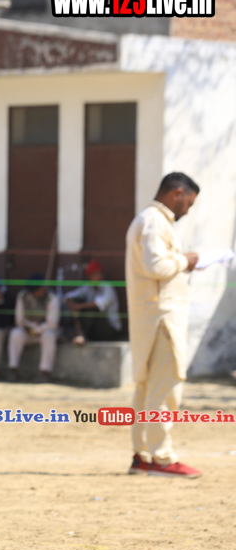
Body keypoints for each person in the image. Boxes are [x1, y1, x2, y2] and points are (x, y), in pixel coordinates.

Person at [125, 172, 202, 478]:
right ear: (177, 193)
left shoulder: (148, 220)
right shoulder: (155, 221)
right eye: (189, 202)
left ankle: (143, 455)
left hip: (151, 318)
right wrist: (186, 260)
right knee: (164, 389)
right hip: (162, 320)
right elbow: (155, 266)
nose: (188, 210)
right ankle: (162, 458)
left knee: (147, 389)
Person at [7, 273, 60, 382]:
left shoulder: (52, 298)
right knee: (15, 333)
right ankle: (13, 370)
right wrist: (28, 328)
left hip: (43, 331)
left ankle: (45, 373)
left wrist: (37, 330)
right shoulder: (22, 296)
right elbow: (19, 319)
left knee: (49, 336)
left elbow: (52, 323)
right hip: (27, 330)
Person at [64, 260, 121, 344]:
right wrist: (71, 304)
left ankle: (82, 335)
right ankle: (79, 333)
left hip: (110, 330)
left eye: (98, 274)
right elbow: (68, 296)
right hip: (94, 330)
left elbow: (99, 304)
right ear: (89, 277)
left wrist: (78, 306)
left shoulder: (107, 288)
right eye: (94, 275)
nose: (97, 277)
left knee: (92, 308)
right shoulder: (88, 287)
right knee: (77, 301)